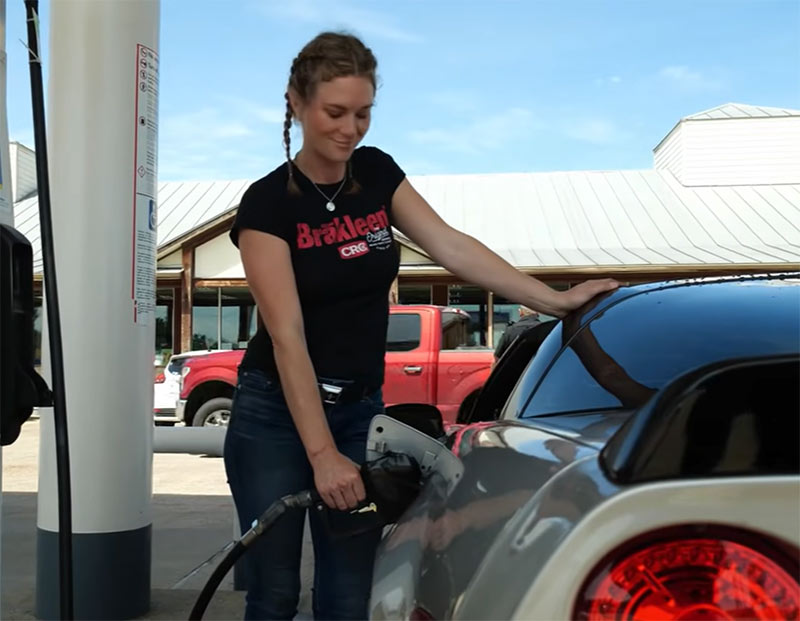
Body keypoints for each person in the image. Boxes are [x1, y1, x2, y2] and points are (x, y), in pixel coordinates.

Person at [223, 31, 619, 621]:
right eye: (335, 112)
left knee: (349, 588)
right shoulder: (267, 206)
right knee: (274, 590)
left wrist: (554, 300)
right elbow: (287, 337)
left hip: (359, 409)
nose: (350, 128)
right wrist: (324, 454)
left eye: (363, 113)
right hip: (275, 414)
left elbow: (451, 247)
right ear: (295, 103)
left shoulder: (377, 174)